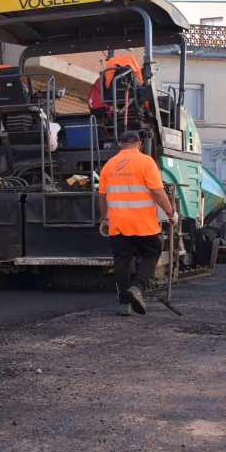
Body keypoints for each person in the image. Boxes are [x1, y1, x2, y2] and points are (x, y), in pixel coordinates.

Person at [97, 130, 176, 316]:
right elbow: (157, 192)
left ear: (120, 143)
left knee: (122, 262)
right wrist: (171, 213)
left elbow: (102, 195)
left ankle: (125, 304)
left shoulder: (109, 165)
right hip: (144, 225)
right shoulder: (146, 162)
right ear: (139, 144)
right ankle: (137, 287)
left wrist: (105, 217)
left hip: (118, 225)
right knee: (151, 254)